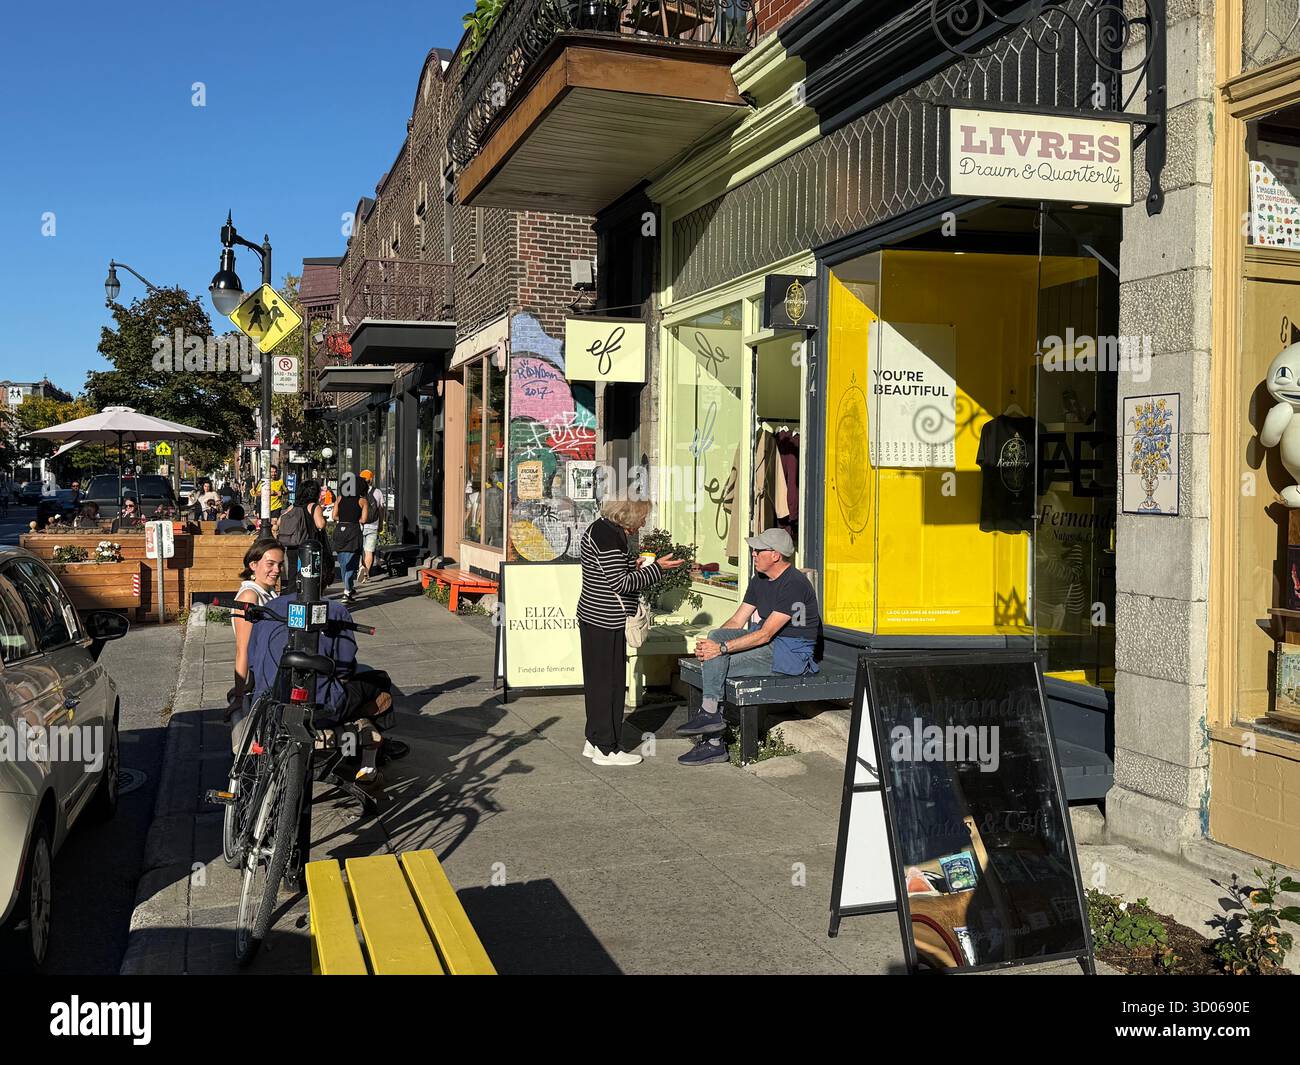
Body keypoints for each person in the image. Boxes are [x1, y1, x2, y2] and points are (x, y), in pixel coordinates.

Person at [677, 528, 822, 765]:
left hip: (789, 654)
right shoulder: (760, 579)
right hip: (767, 644)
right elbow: (736, 621)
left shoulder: (795, 584)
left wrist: (721, 649)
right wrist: (710, 644)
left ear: (775, 555)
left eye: (758, 550)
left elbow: (766, 634)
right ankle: (711, 718)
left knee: (718, 661)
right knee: (715, 636)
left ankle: (713, 739)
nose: (753, 553)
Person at [246, 589, 407, 781]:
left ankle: (370, 748)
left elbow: (252, 661)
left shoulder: (269, 608)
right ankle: (372, 755)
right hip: (317, 710)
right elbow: (344, 669)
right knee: (378, 682)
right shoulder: (335, 610)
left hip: (267, 704)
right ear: (329, 576)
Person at [576, 499, 684, 766]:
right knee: (609, 684)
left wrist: (633, 566)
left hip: (594, 615)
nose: (644, 522)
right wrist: (657, 570)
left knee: (599, 683)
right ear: (627, 515)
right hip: (605, 618)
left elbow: (608, 574)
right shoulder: (610, 536)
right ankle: (607, 749)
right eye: (642, 517)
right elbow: (619, 583)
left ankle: (595, 740)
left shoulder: (600, 529)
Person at [226, 539, 285, 746]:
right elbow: (243, 648)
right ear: (253, 565)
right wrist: (240, 694)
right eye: (270, 564)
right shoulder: (250, 596)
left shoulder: (267, 592)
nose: (276, 570)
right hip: (266, 678)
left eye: (280, 564)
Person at [276, 479, 333, 590]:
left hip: (293, 545)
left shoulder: (293, 506)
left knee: (293, 573)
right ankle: (307, 596)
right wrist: (325, 520)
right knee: (309, 575)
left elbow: (279, 522)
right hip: (309, 547)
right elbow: (320, 524)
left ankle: (293, 595)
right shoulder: (314, 506)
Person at [331, 480, 370, 604]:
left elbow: (334, 516)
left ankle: (349, 587)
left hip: (340, 531)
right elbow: (364, 519)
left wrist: (344, 518)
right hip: (353, 531)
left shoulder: (339, 498)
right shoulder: (362, 501)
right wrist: (354, 518)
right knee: (351, 562)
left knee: (343, 563)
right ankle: (347, 591)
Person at [358, 470, 384, 583]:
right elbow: (381, 510)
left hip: (359, 525)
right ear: (371, 479)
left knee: (360, 550)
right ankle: (366, 574)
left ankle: (361, 568)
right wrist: (381, 523)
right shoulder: (377, 492)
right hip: (373, 525)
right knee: (369, 551)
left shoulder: (357, 492)